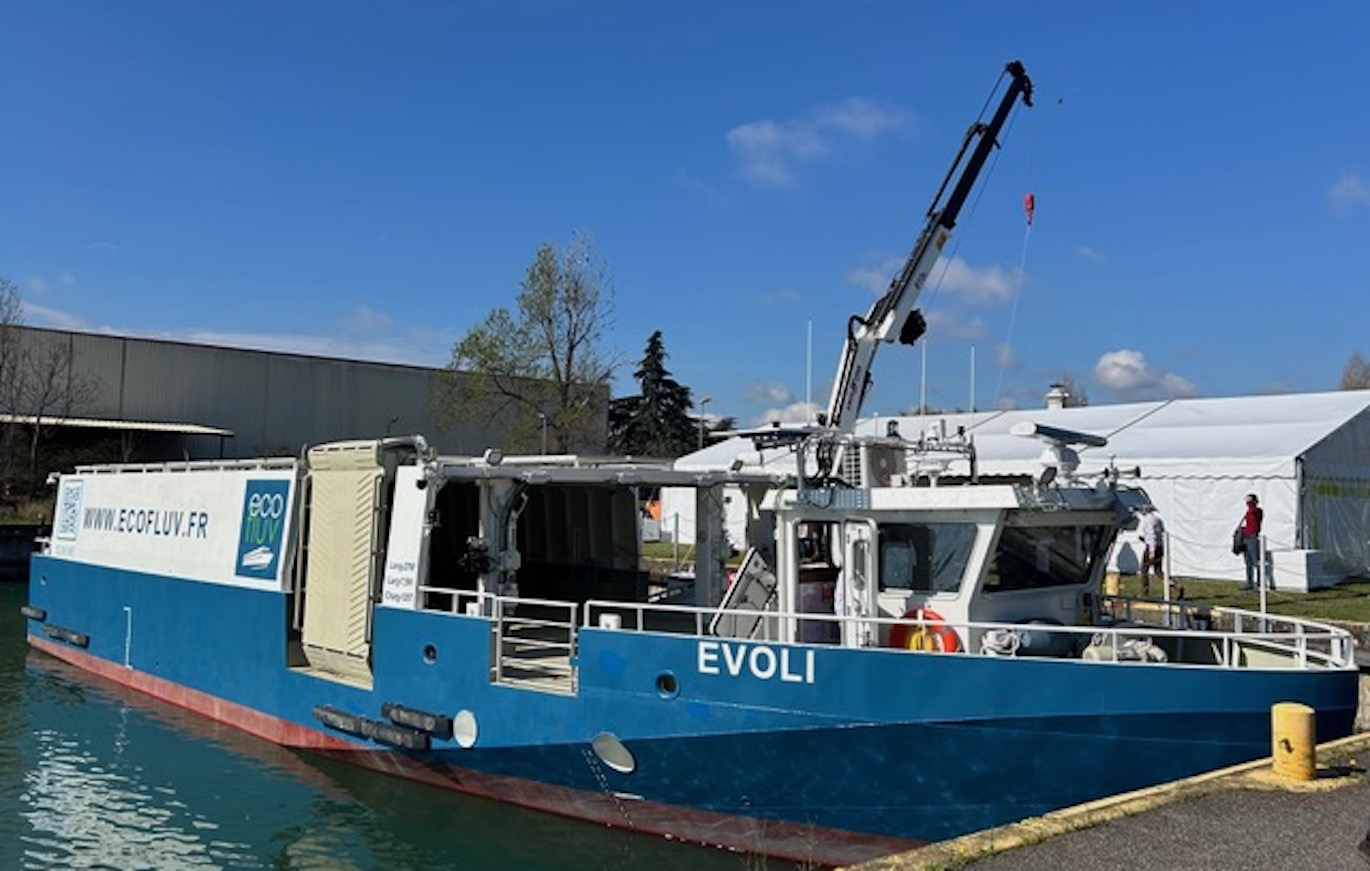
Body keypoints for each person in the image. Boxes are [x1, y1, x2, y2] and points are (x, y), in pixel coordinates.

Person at [1137, 505, 1165, 598]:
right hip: (1160, 546)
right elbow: (1161, 532)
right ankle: (1175, 586)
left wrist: (1151, 551)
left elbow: (1152, 535)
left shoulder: (1148, 520)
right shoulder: (1158, 519)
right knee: (1158, 571)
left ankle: (1145, 593)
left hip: (1151, 547)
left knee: (1144, 569)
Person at [1240, 493, 1264, 589]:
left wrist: (1251, 503)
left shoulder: (1257, 511)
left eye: (1249, 501)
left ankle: (1259, 582)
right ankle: (1249, 582)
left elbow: (1254, 513)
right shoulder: (1248, 511)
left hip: (1253, 537)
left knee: (1255, 561)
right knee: (1248, 562)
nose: (1247, 503)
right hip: (1246, 537)